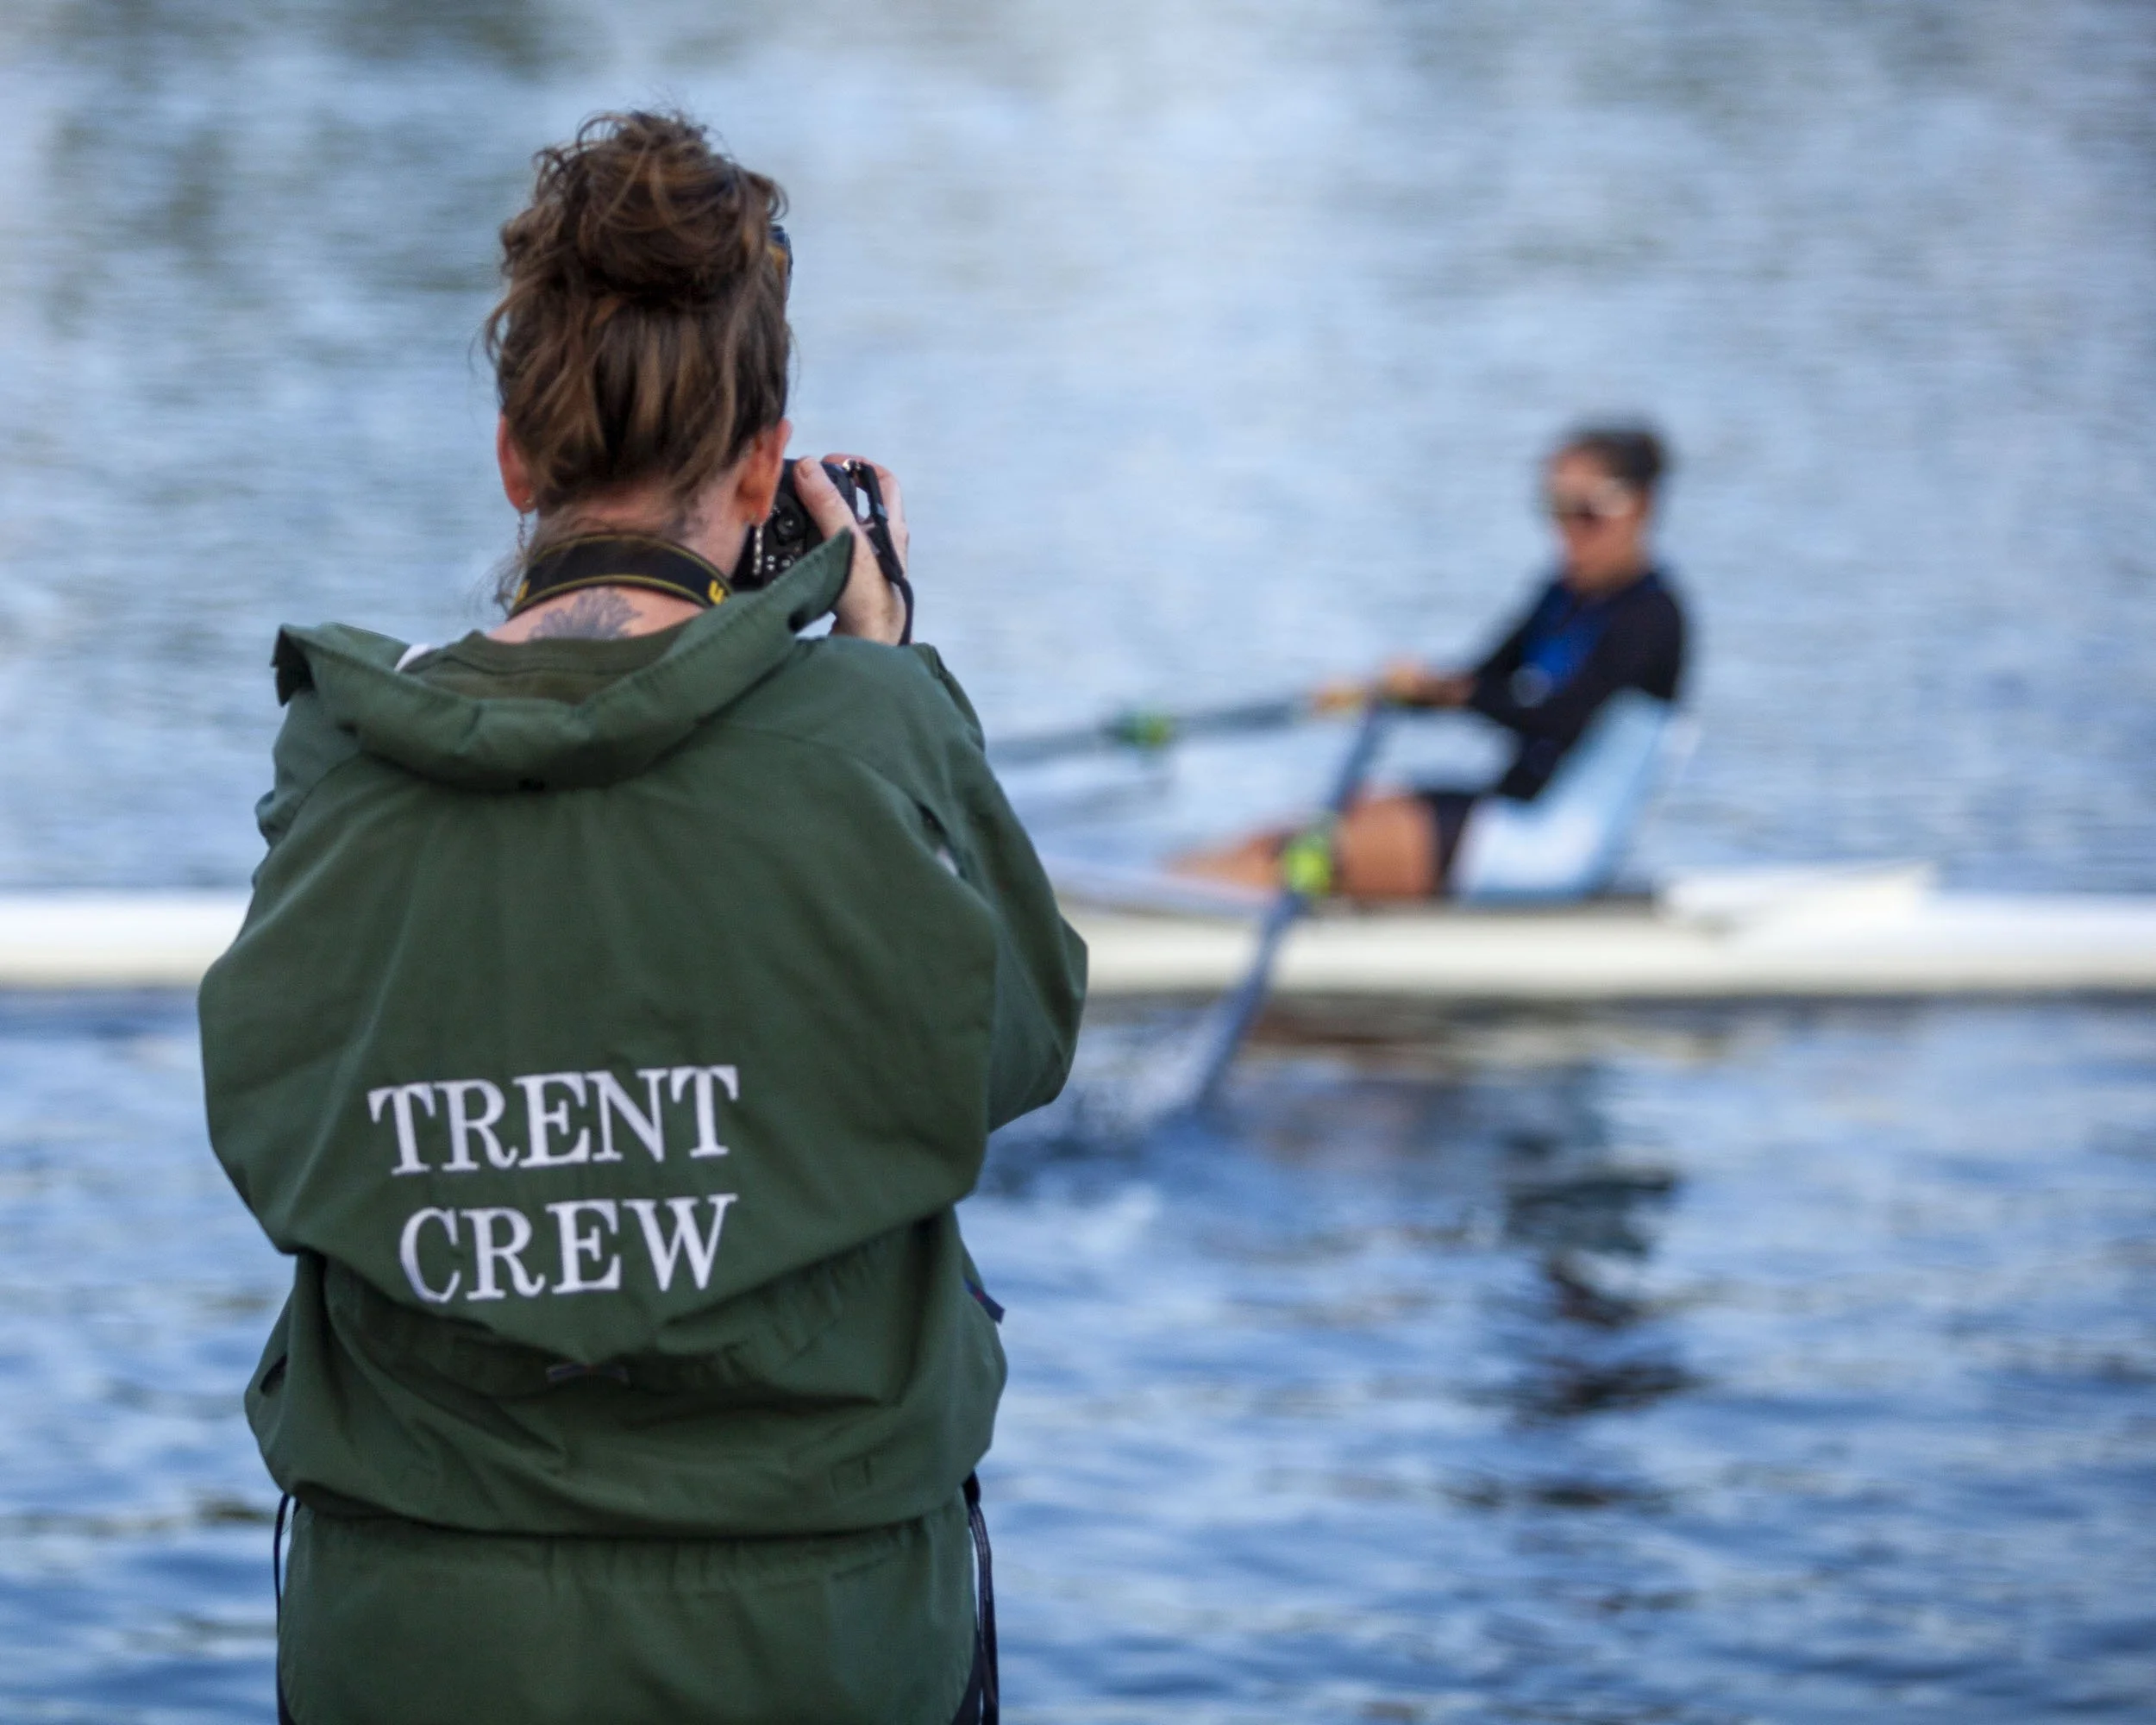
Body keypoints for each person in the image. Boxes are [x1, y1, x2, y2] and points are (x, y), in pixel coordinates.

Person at [198, 111, 1085, 1725]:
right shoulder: (865, 734)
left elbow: (276, 1101)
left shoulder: (342, 748)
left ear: (516, 460)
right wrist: (884, 670)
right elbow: (1012, 1045)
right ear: (768, 471)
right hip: (816, 1626)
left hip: (415, 1627)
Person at [1177, 425, 1687, 898]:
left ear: (1639, 508)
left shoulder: (1653, 619)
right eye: (1554, 508)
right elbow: (1482, 680)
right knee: (1284, 835)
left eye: (1588, 512)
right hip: (1505, 809)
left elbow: (1557, 718)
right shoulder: (1562, 595)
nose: (1567, 531)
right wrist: (1390, 691)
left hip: (1548, 848)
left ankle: (1164, 925)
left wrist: (1454, 693)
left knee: (1294, 856)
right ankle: (1164, 896)